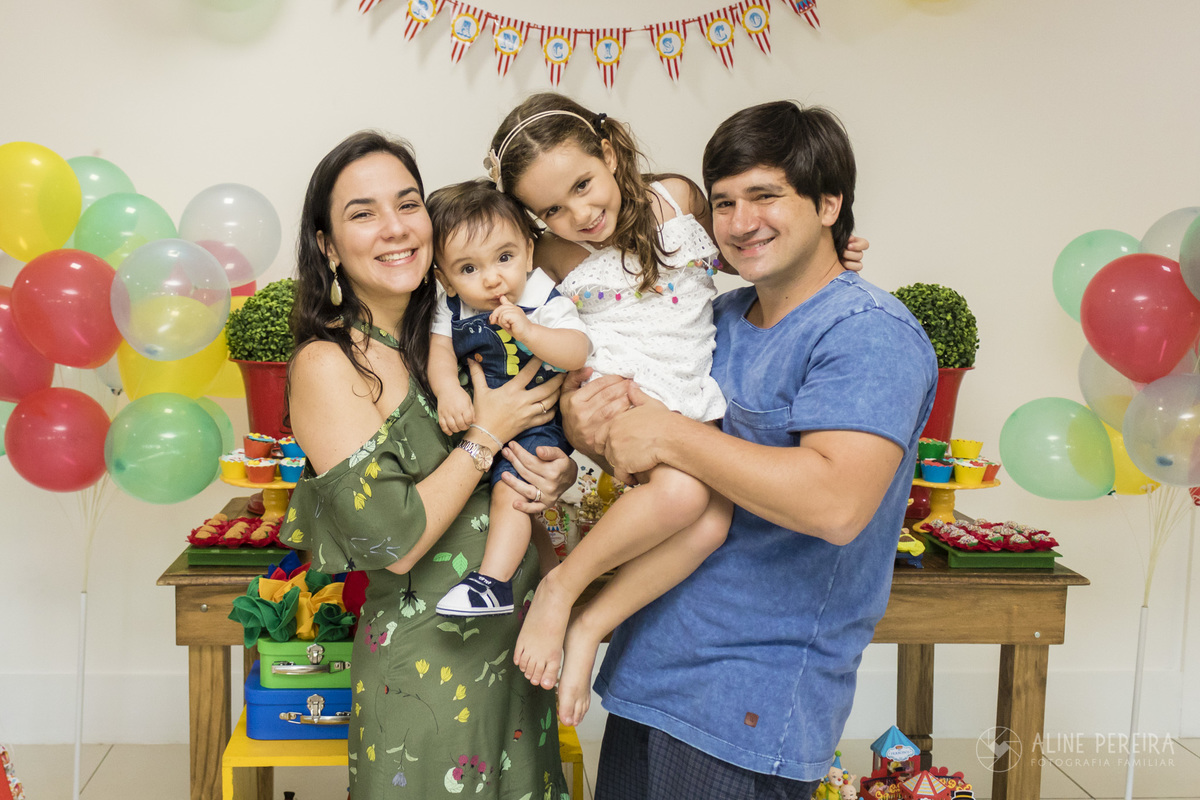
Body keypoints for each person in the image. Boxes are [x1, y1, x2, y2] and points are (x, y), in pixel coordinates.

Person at [563, 102, 938, 799]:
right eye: (726, 201)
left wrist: (672, 433)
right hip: (650, 674)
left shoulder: (867, 334)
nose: (740, 222)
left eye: (766, 196)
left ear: (831, 204)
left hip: (746, 703)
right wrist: (589, 423)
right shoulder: (712, 318)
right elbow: (635, 436)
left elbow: (835, 505)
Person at [278, 131, 575, 799]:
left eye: (407, 204)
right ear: (326, 243)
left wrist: (551, 477)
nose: (395, 229)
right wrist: (489, 434)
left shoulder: (448, 336)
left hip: (514, 655)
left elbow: (583, 255)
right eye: (362, 213)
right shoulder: (329, 365)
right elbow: (396, 543)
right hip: (426, 668)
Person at [488, 93, 737, 727]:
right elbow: (510, 315)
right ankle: (560, 588)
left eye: (583, 184)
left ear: (608, 150)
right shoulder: (548, 257)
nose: (580, 213)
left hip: (688, 381)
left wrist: (828, 251)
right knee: (684, 500)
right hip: (623, 385)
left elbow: (733, 254)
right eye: (552, 209)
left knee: (711, 524)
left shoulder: (678, 197)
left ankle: (588, 624)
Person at [424, 179, 590, 617]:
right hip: (480, 420)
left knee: (511, 489)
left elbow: (577, 350)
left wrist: (529, 330)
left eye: (504, 257)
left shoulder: (541, 298)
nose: (493, 277)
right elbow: (440, 354)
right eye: (469, 269)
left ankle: (492, 583)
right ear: (446, 279)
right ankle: (526, 573)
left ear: (529, 253)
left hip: (537, 421)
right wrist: (447, 391)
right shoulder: (451, 307)